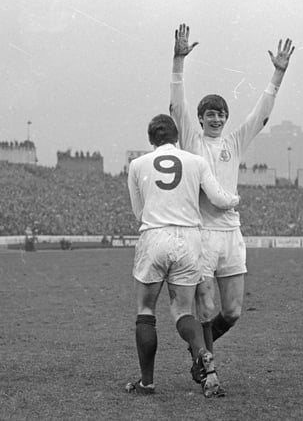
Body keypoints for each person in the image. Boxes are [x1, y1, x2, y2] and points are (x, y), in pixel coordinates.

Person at [169, 23, 295, 381]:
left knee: (233, 311)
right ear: (201, 118)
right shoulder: (192, 142)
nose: (217, 118)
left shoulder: (234, 143)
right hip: (203, 234)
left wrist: (277, 75)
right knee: (206, 310)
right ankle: (209, 370)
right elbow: (177, 105)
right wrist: (178, 62)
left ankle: (200, 352)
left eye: (221, 114)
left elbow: (261, 115)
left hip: (231, 234)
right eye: (210, 114)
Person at [125, 114, 239, 398]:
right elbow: (218, 198)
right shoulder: (196, 162)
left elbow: (138, 212)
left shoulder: (138, 165)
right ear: (176, 137)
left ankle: (147, 383)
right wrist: (234, 200)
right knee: (183, 311)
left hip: (155, 235)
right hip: (189, 239)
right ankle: (202, 353)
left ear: (151, 139)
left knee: (146, 310)